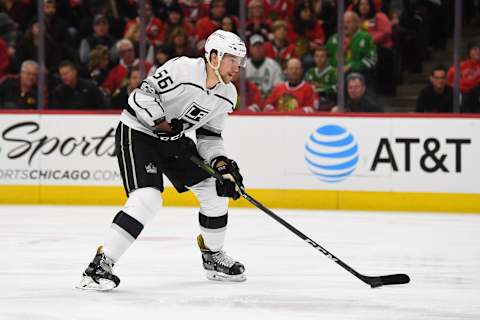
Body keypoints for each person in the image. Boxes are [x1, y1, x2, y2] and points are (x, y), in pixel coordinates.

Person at [77, 30, 248, 291]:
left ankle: (213, 256)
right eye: (232, 60)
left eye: (240, 61)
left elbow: (209, 135)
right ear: (214, 56)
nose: (237, 67)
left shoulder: (228, 95)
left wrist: (221, 164)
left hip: (174, 139)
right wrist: (159, 121)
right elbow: (140, 96)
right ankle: (100, 265)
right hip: (139, 132)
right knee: (147, 198)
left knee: (215, 189)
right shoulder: (183, 69)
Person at [325, 11, 377, 83]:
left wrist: (351, 66)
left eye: (348, 22)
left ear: (357, 24)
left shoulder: (365, 37)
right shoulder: (334, 38)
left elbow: (372, 59)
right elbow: (325, 56)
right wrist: (332, 69)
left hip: (357, 76)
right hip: (333, 75)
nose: (345, 25)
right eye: (343, 22)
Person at [245, 34, 283, 99]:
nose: (257, 48)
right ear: (250, 48)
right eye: (255, 46)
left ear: (264, 47)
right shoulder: (244, 65)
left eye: (260, 46)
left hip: (268, 100)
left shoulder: (274, 65)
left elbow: (279, 87)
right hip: (248, 100)